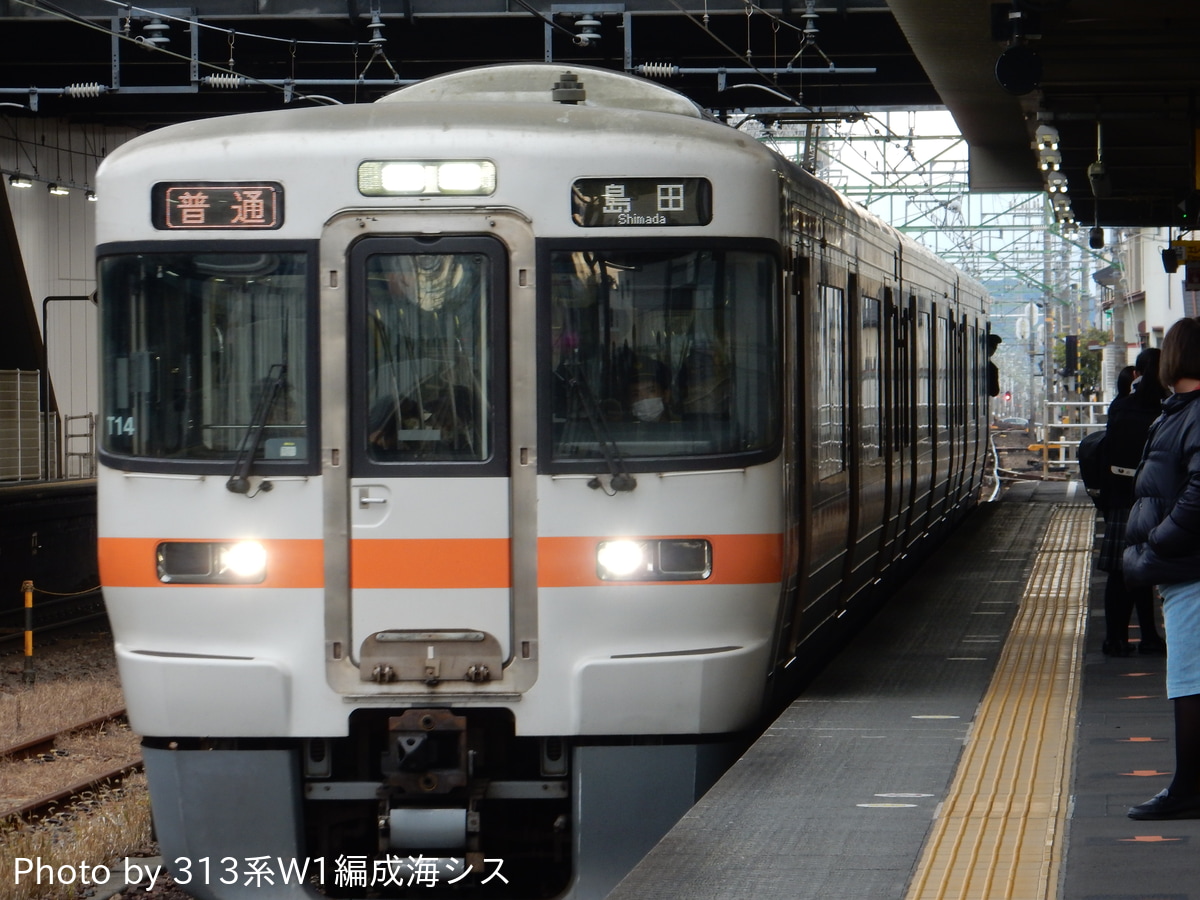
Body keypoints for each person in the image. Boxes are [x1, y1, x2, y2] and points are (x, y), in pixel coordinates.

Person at [1124, 317, 1200, 820]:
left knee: (1189, 681)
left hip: (1190, 567)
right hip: (1183, 566)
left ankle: (1188, 790)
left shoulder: (1192, 413)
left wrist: (1157, 541)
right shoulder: (1182, 412)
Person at [1097, 349, 1166, 656]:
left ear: (1137, 374)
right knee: (1148, 569)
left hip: (1122, 499)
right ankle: (1150, 636)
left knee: (1119, 571)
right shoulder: (1167, 410)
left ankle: (1116, 639)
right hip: (1159, 501)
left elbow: (1106, 452)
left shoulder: (1121, 408)